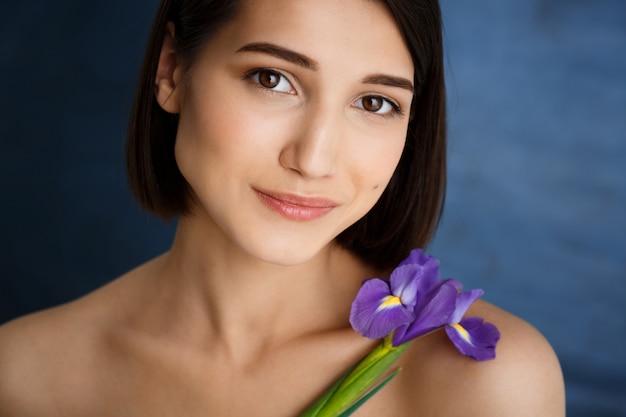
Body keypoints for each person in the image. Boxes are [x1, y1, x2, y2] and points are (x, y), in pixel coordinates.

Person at [0, 0, 565, 415]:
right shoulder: (21, 377)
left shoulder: (485, 383)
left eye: (375, 102)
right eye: (272, 80)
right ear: (172, 70)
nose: (314, 159)